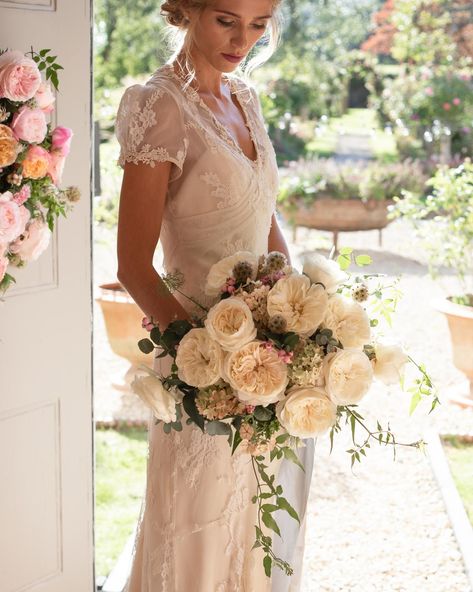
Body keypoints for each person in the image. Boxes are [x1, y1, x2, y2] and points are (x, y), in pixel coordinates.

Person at [115, 1, 314, 590]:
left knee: (260, 530)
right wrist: (213, 366)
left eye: (258, 24)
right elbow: (132, 266)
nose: (243, 40)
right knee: (196, 530)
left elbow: (262, 214)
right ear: (187, 11)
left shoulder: (244, 97)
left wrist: (304, 318)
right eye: (226, 20)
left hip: (271, 366)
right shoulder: (158, 106)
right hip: (202, 374)